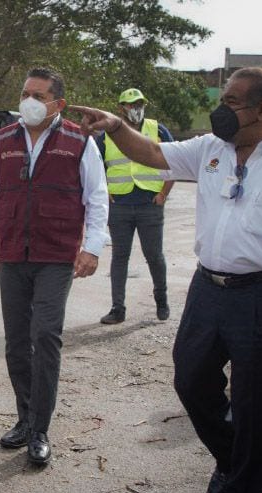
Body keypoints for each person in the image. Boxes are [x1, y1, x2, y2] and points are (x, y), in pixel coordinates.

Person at [72, 67, 262, 493]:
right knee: (190, 380)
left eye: (231, 100)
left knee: (258, 410)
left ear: (261, 111)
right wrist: (114, 125)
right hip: (207, 290)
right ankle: (233, 458)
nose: (221, 107)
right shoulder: (210, 148)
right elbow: (151, 153)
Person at [0, 68, 109, 466]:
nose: (29, 101)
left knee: (46, 335)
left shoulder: (79, 140)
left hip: (56, 255)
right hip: (12, 254)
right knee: (17, 342)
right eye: (25, 93)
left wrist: (91, 247)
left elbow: (97, 196)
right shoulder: (4, 138)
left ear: (58, 104)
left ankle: (40, 429)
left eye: (38, 95)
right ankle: (24, 418)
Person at [98, 88, 175, 324]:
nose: (136, 108)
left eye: (139, 103)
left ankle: (161, 300)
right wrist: (105, 192)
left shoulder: (157, 129)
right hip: (119, 204)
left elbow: (175, 161)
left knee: (154, 255)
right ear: (121, 107)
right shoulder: (107, 134)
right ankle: (117, 308)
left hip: (150, 204)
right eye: (131, 104)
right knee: (120, 256)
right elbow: (94, 165)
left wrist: (163, 193)